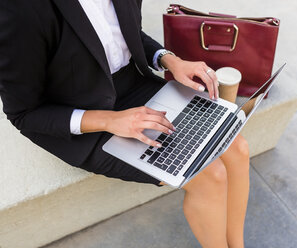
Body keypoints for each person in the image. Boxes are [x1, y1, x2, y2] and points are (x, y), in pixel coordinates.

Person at [0, 0, 250, 247]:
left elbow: (119, 31)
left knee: (238, 149)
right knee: (210, 175)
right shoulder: (20, 8)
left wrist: (169, 60)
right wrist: (111, 120)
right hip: (79, 115)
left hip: (132, 85)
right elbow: (23, 113)